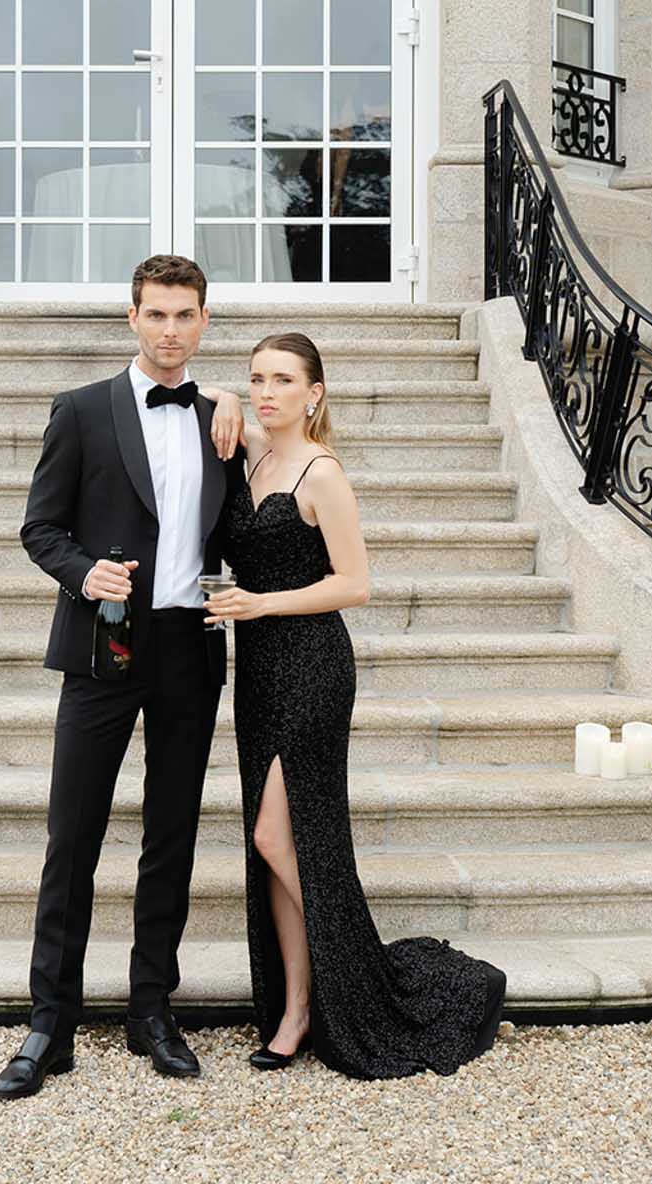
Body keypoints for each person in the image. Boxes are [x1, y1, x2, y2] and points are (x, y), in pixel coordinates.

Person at [200, 331, 508, 1078]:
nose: (267, 391)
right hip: (259, 668)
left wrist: (262, 603)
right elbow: (199, 395)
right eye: (258, 378)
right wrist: (230, 397)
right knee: (273, 844)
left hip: (310, 664)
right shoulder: (252, 456)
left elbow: (355, 583)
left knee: (280, 838)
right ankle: (299, 1006)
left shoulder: (320, 472)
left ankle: (355, 972)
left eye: (283, 380)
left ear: (316, 393)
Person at [0, 254, 245, 1101]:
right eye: (157, 315)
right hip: (103, 647)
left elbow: (238, 527)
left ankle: (151, 1012)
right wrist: (82, 571)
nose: (171, 331)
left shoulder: (221, 420)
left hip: (189, 647)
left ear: (204, 321)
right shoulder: (83, 411)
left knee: (170, 838)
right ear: (131, 318)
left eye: (186, 316)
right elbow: (39, 528)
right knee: (75, 837)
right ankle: (48, 1026)